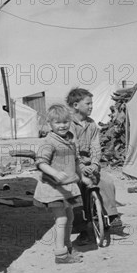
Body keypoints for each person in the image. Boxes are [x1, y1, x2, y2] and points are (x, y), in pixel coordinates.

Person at [33, 104, 91, 264]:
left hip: (68, 188)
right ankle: (60, 254)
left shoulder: (70, 140)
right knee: (61, 219)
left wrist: (82, 176)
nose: (62, 125)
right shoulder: (49, 142)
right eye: (58, 122)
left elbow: (76, 160)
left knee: (70, 216)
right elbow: (41, 163)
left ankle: (68, 247)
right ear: (49, 124)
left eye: (65, 121)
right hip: (53, 188)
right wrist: (55, 173)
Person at [66, 87, 123, 241]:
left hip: (90, 163)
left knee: (106, 181)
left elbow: (95, 146)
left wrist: (96, 164)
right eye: (88, 103)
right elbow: (73, 148)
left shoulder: (92, 125)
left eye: (92, 104)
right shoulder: (68, 125)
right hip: (73, 164)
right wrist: (82, 168)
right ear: (76, 105)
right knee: (75, 190)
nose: (91, 106)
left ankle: (112, 216)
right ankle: (81, 229)